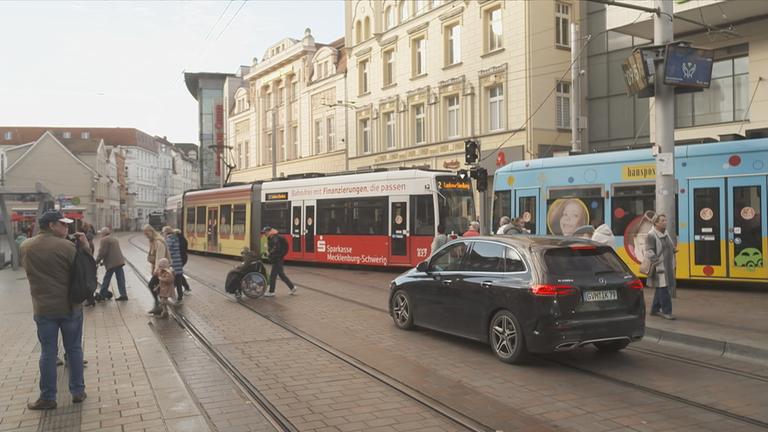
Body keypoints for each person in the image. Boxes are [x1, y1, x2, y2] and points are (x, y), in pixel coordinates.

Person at [19, 210, 89, 410]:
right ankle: (77, 391)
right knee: (74, 349)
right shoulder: (68, 246)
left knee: (48, 352)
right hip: (70, 307)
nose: (67, 228)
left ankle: (48, 397)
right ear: (52, 225)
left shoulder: (26, 246)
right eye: (63, 224)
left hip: (43, 309)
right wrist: (84, 246)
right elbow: (84, 271)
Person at [645, 213, 677, 320]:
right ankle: (667, 312)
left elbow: (669, 245)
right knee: (664, 288)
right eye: (662, 221)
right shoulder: (651, 235)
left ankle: (654, 309)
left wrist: (673, 249)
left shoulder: (665, 233)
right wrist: (657, 262)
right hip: (659, 267)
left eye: (665, 220)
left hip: (668, 265)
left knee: (660, 287)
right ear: (656, 223)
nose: (665, 222)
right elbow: (649, 251)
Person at [95, 227, 128, 301]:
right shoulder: (114, 238)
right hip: (119, 261)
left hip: (112, 263)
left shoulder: (104, 240)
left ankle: (102, 295)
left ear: (103, 233)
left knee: (106, 278)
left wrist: (96, 261)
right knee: (120, 279)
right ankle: (123, 294)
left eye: (101, 233)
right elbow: (111, 252)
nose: (100, 235)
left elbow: (102, 252)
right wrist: (103, 262)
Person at [262, 226, 296, 297]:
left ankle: (271, 292)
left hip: (278, 259)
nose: (264, 234)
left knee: (273, 276)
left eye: (265, 232)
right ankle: (292, 288)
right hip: (277, 258)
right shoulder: (272, 238)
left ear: (269, 232)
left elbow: (276, 249)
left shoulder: (275, 238)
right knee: (281, 275)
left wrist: (270, 253)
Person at [143, 224, 169, 315]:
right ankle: (160, 307)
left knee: (152, 285)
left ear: (151, 231)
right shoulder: (152, 241)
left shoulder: (159, 242)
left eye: (147, 234)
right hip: (158, 269)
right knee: (158, 288)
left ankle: (159, 306)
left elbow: (159, 258)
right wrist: (153, 268)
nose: (146, 236)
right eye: (145, 235)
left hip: (162, 270)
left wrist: (156, 270)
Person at [162, 226, 185, 302]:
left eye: (163, 233)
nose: (163, 234)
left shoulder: (169, 240)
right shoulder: (176, 238)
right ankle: (180, 297)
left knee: (170, 281)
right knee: (178, 281)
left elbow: (168, 252)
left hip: (173, 264)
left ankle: (169, 295)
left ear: (166, 233)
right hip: (179, 262)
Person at [174, 228, 191, 293]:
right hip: (183, 258)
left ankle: (186, 287)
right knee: (179, 273)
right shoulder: (183, 239)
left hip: (180, 259)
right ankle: (186, 287)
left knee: (178, 274)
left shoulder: (177, 241)